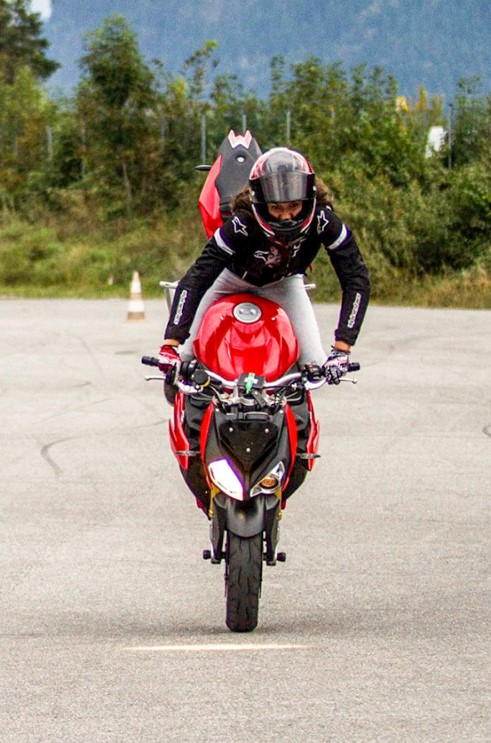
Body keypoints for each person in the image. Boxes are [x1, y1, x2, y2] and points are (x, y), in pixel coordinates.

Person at [158, 147, 370, 385]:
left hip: (284, 282)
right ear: (259, 203)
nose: (286, 216)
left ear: (308, 199)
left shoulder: (324, 221)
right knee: (182, 361)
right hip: (229, 279)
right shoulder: (241, 223)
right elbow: (197, 277)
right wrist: (170, 345)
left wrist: (342, 349)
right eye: (276, 207)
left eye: (294, 205)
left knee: (316, 366)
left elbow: (356, 279)